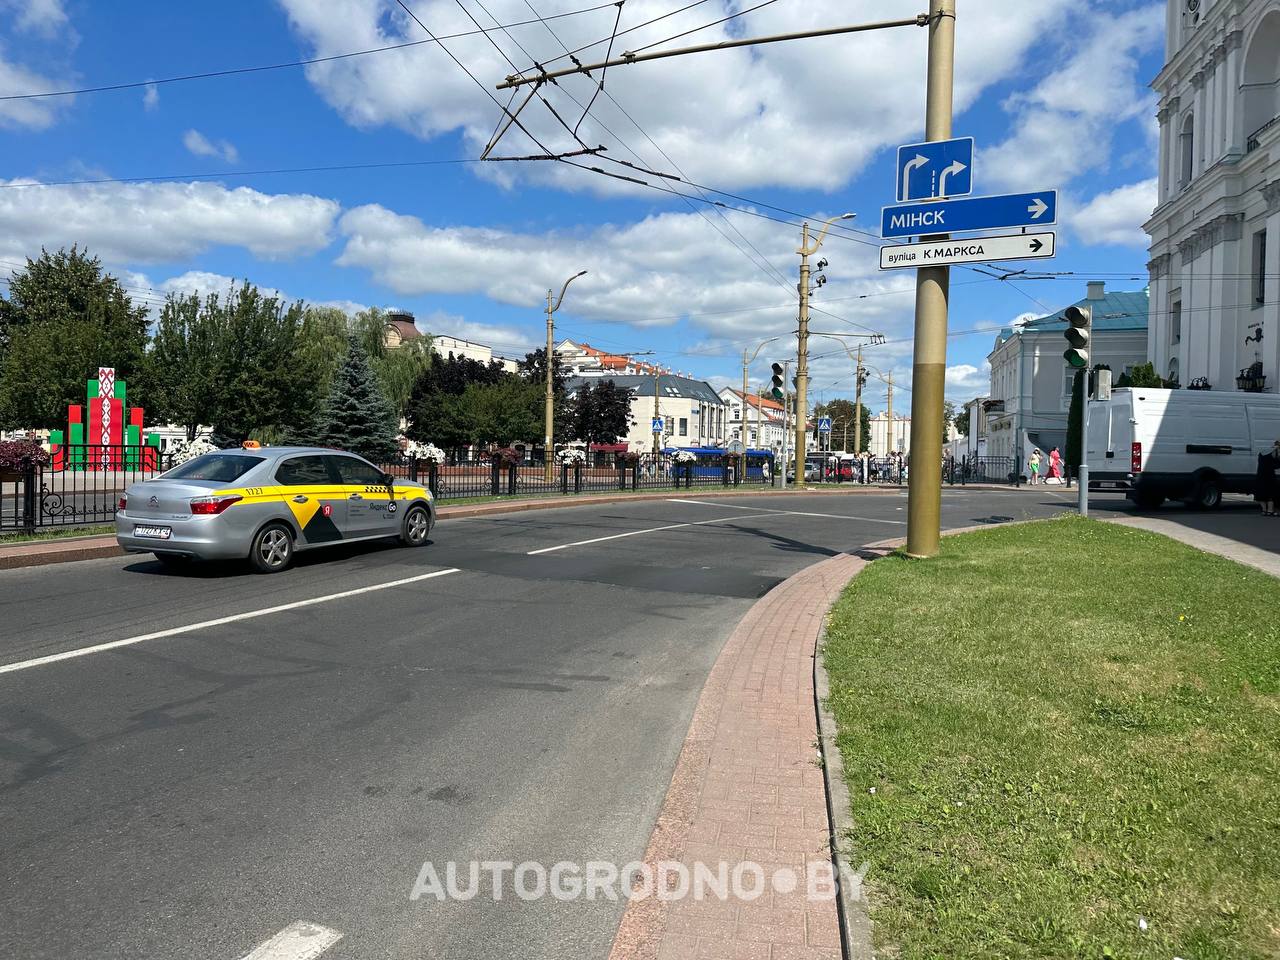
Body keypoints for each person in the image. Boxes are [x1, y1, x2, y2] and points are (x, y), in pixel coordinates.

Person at [1256, 440, 1280, 516]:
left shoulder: (1263, 452)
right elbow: (1276, 465)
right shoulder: (1274, 452)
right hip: (1269, 475)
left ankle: (1264, 511)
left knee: (1261, 493)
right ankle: (1270, 511)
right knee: (1271, 494)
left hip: (1260, 475)